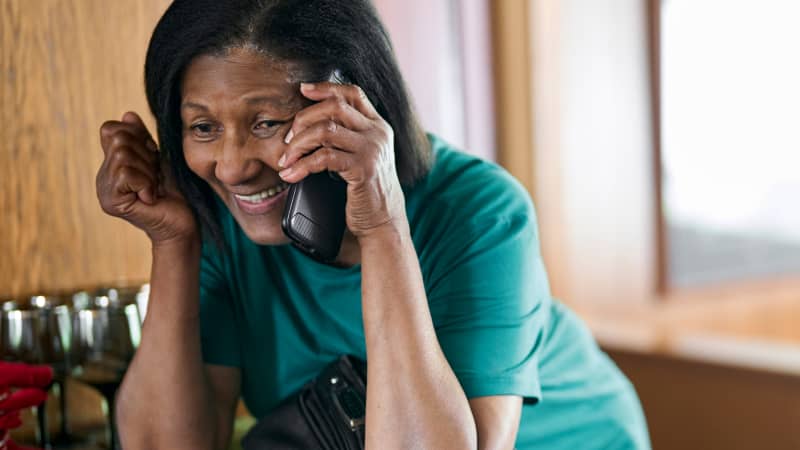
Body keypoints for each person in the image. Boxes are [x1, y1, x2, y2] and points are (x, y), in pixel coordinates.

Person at [95, 0, 650, 448]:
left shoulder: (480, 211)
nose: (233, 166)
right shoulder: (225, 219)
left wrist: (382, 224)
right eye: (203, 128)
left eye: (266, 122)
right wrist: (173, 242)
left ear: (352, 106)